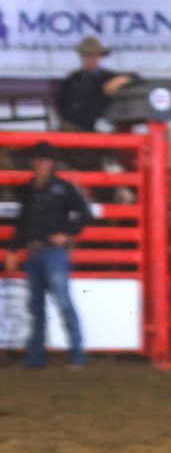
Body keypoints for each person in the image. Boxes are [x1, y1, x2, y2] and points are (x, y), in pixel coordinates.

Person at [5, 142, 94, 368]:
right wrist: (14, 249)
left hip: (52, 252)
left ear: (49, 163)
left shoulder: (61, 188)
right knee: (38, 306)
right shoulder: (32, 190)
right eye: (37, 160)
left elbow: (85, 212)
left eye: (43, 161)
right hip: (37, 252)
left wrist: (67, 234)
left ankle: (72, 353)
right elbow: (22, 223)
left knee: (59, 304)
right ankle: (41, 357)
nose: (40, 164)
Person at [53, 37, 134, 134]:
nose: (89, 59)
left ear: (99, 57)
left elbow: (136, 78)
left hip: (94, 129)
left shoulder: (106, 77)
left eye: (92, 55)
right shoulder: (72, 78)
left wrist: (119, 80)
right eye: (86, 55)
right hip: (69, 129)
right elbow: (59, 102)